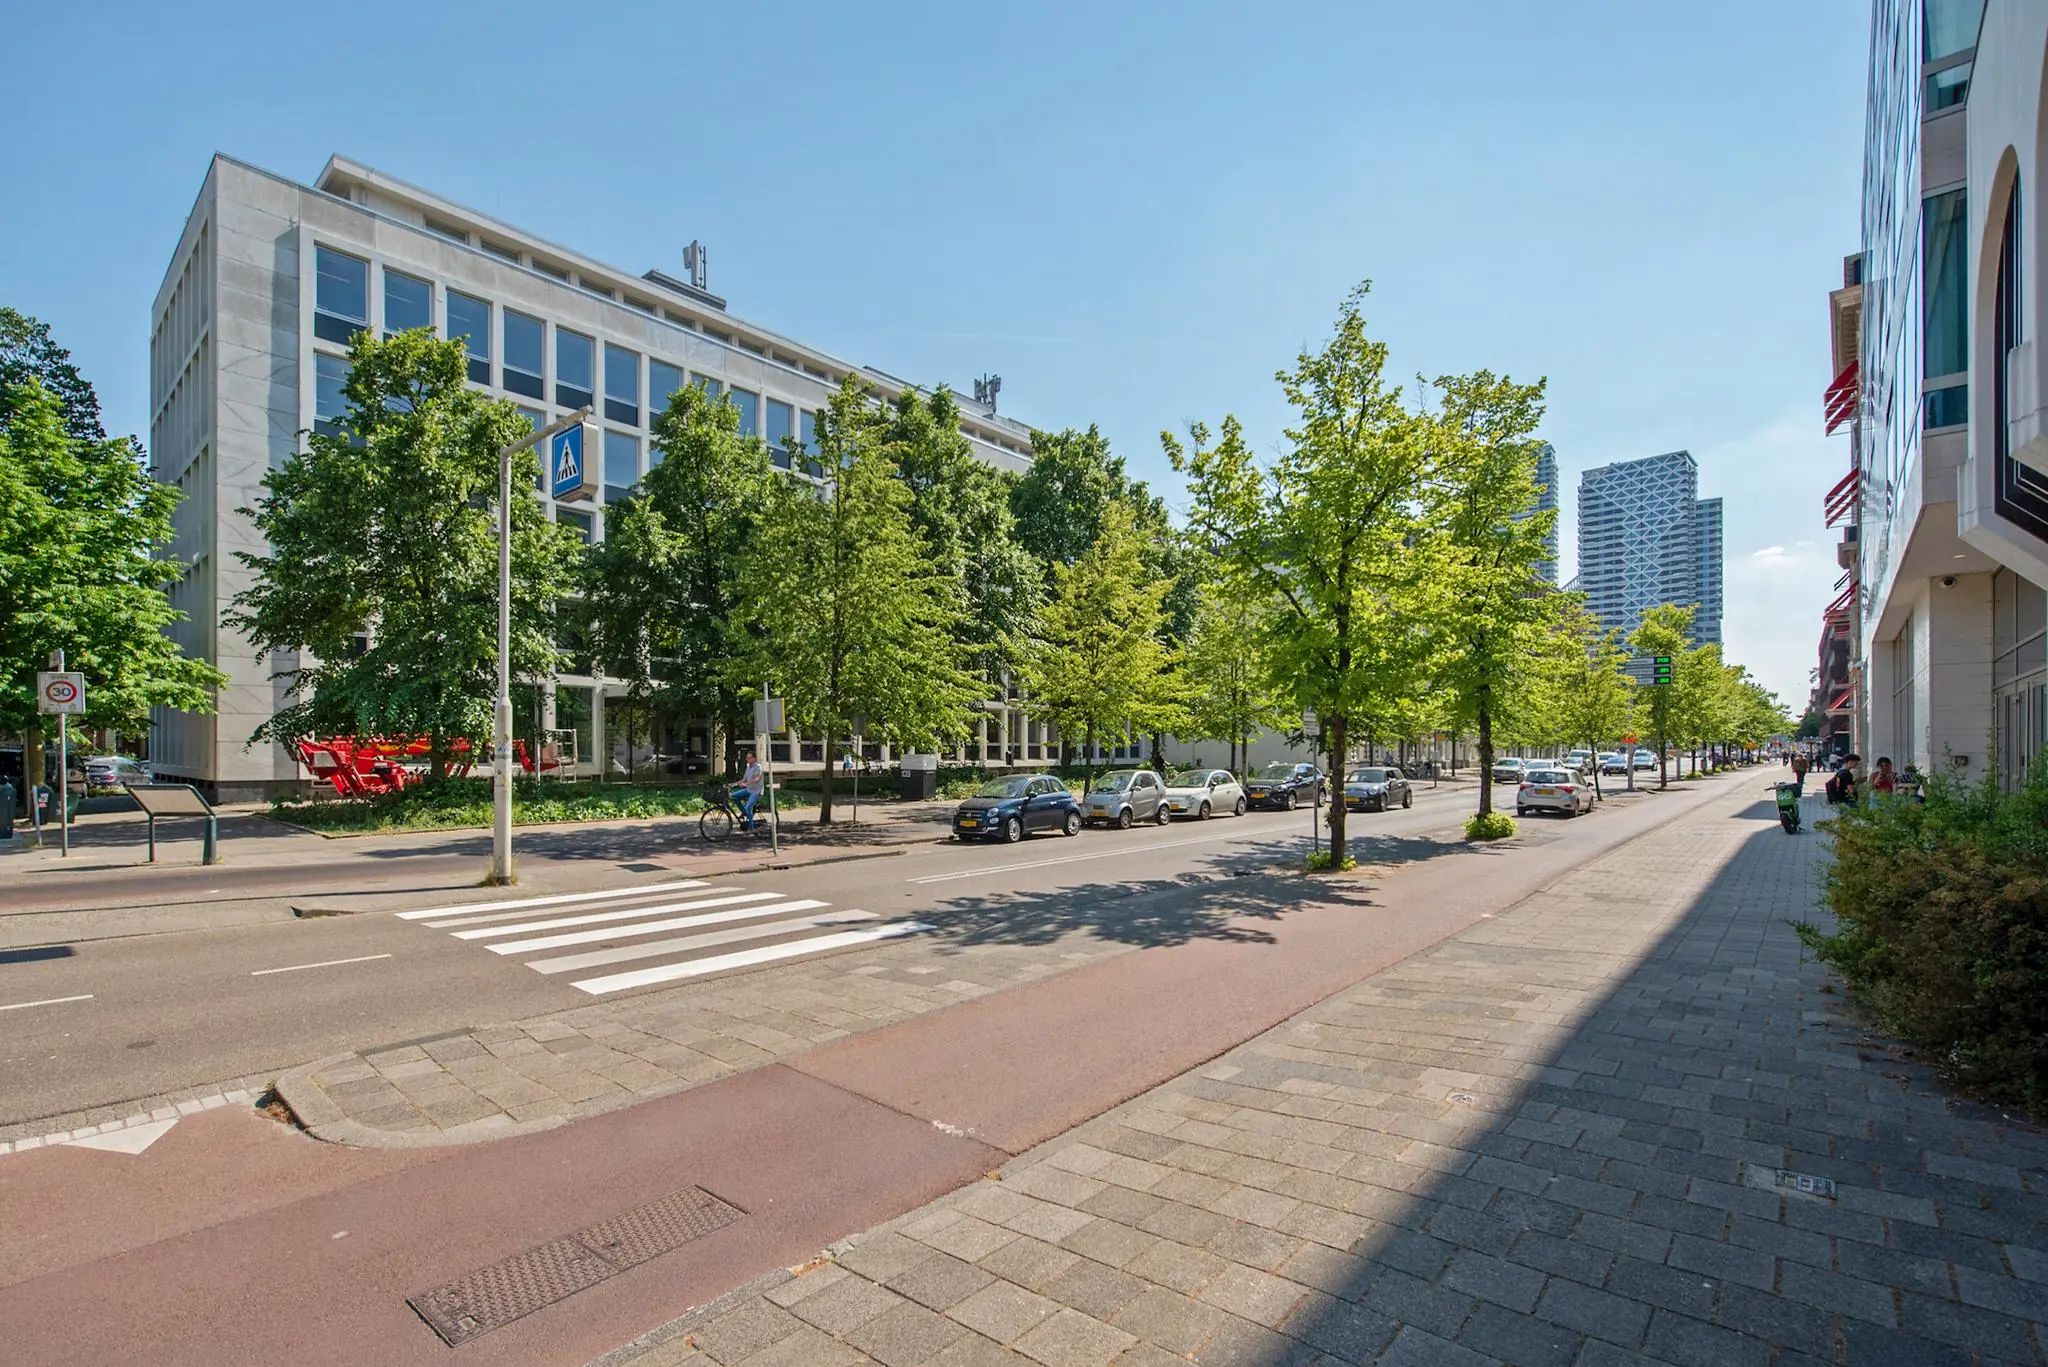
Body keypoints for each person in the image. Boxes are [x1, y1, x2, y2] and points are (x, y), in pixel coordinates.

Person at [734, 750, 764, 832]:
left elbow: (757, 779)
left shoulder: (758, 767)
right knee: (734, 796)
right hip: (748, 790)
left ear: (754, 758)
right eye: (747, 758)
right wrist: (734, 784)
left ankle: (751, 828)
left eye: (749, 758)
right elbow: (744, 779)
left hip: (756, 791)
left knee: (748, 807)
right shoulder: (748, 767)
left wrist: (746, 784)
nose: (747, 759)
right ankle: (745, 813)